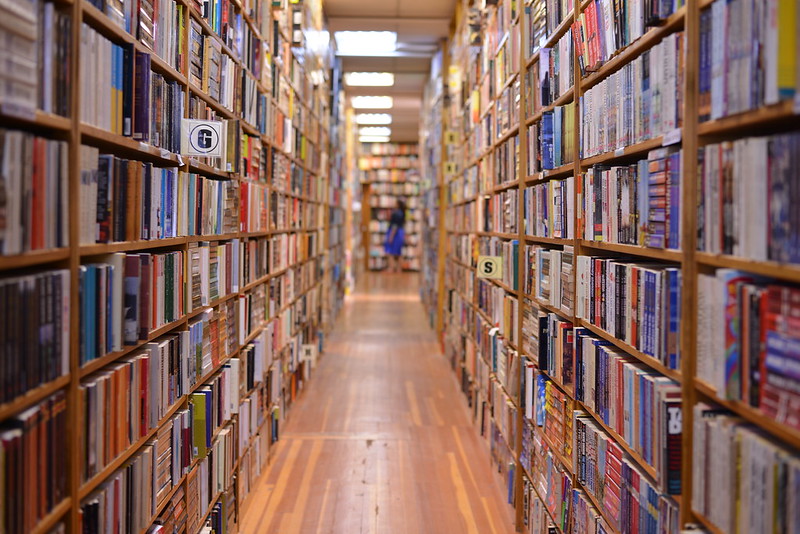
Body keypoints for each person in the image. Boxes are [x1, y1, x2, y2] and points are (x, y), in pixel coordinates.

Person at [384, 199, 406, 273]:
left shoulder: (397, 213)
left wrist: (391, 236)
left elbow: (395, 225)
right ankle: (399, 268)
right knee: (398, 252)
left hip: (395, 232)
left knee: (390, 251)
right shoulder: (402, 213)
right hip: (400, 232)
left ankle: (391, 267)